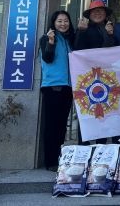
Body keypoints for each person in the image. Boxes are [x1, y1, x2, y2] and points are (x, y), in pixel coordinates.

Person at [39, 10, 75, 170]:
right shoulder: (46, 38)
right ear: (54, 23)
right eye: (59, 21)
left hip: (68, 87)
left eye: (66, 21)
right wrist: (51, 42)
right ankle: (50, 161)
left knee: (61, 125)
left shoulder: (68, 40)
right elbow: (47, 58)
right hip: (52, 86)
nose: (63, 24)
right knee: (52, 125)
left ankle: (58, 157)